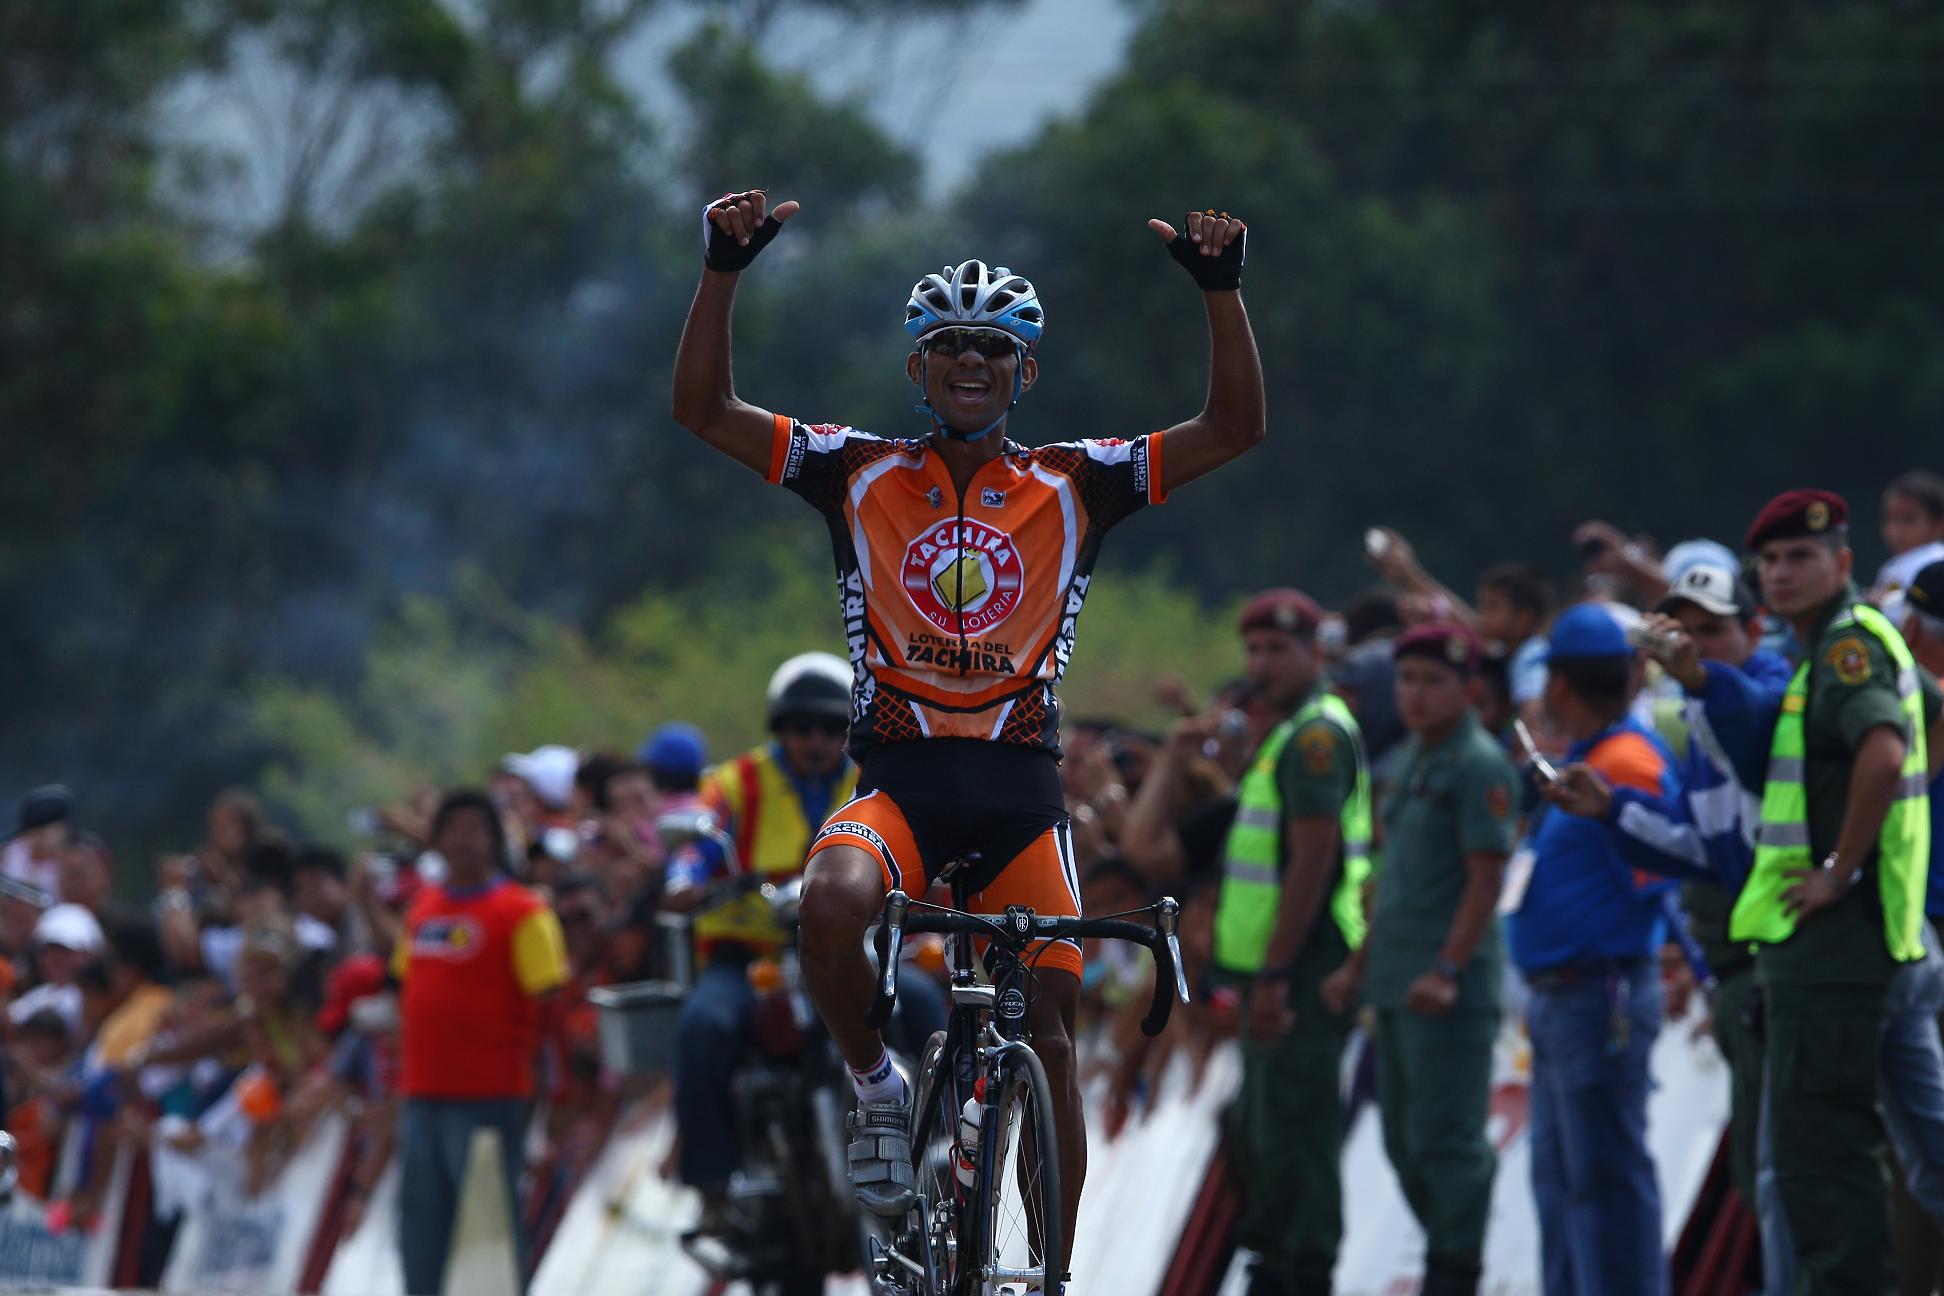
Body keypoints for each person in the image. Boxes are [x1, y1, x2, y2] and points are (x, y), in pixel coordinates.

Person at [672, 186, 1262, 1273]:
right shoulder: (854, 470)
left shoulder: (1078, 482)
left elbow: (1233, 429)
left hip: (1020, 799)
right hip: (900, 785)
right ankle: (877, 1090)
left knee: (1051, 1034)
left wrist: (1221, 293)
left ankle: (1052, 1274)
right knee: (830, 906)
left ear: (1024, 371)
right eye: (949, 345)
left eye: (994, 346)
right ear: (919, 366)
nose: (971, 361)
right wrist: (722, 271)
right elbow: (705, 411)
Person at [1540, 556, 1790, 1222]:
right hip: (1744, 972)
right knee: (1765, 1172)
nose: (1696, 648)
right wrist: (1611, 810)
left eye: (1713, 630)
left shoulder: (1776, 691)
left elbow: (1761, 721)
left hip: (1784, 964)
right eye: (1685, 634)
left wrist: (1702, 682)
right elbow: (1702, 849)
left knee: (1798, 1170)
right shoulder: (1701, 719)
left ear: (1755, 631)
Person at [1727, 490, 1934, 1294]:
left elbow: (1884, 754)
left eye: (1800, 557)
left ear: (1842, 562)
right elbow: (1933, 715)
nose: (1781, 574)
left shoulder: (1846, 649)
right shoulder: (1862, 637)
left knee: (1825, 1168)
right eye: (1770, 561)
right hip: (1882, 940)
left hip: (1835, 954)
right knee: (1927, 1146)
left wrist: (1840, 869)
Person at [1322, 622, 1517, 1296]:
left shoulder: (1479, 765)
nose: (1415, 693)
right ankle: (1445, 1255)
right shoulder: (1408, 761)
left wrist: (1448, 970)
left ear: (1469, 690)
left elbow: (1486, 880)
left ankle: (1455, 1271)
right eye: (1407, 679)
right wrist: (1357, 966)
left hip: (1447, 991)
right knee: (1403, 1141)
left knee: (1448, 1142)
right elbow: (1394, 882)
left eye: (1434, 681)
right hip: (1396, 982)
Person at [1505, 603, 1678, 1296]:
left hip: (1598, 995)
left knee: (1603, 1179)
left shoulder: (1625, 763)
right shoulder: (1595, 759)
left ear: (1558, 684)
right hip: (1567, 999)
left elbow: (1661, 875)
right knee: (1563, 1181)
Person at [1212, 588, 1372, 1296]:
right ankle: (1278, 1262)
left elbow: (1313, 862)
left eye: (1279, 648)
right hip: (1273, 968)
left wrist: (1277, 974)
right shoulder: (1285, 733)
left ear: (1316, 654)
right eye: (1254, 650)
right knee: (1265, 1127)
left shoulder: (1314, 737)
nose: (1262, 663)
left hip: (1302, 966)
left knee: (1296, 1133)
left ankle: (1302, 1271)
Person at [393, 789, 568, 1296]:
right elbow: (404, 983)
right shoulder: (422, 909)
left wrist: (551, 1099)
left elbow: (552, 1008)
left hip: (490, 1096)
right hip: (420, 1094)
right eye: (452, 827)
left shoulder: (524, 910)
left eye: (475, 827)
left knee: (490, 1227)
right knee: (420, 1226)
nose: (463, 839)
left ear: (495, 839)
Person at [1873, 470, 1944, 626]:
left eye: (1909, 519)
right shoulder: (1894, 565)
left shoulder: (1934, 564)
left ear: (1939, 524)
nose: (1895, 531)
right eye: (1889, 518)